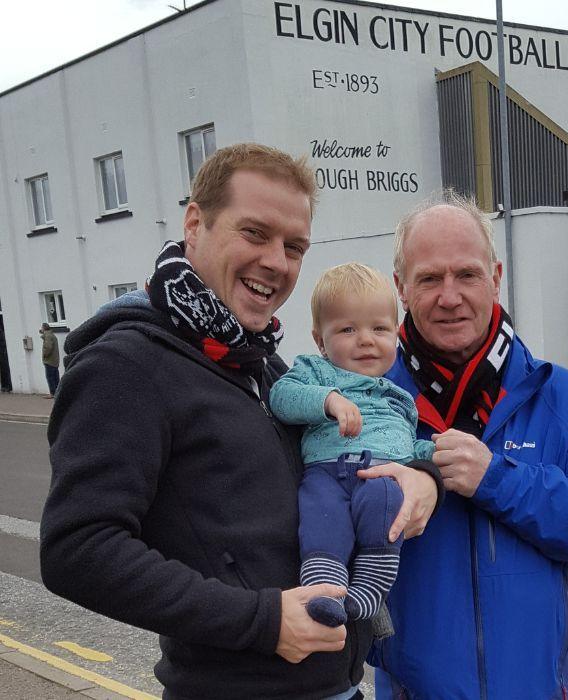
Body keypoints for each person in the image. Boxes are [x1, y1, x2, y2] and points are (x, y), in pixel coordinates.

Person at [40, 144, 439, 699]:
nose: (276, 261)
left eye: (294, 246)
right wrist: (263, 619)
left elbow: (342, 459)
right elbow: (77, 550)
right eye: (255, 233)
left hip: (337, 684)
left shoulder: (261, 363)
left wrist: (422, 477)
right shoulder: (126, 364)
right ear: (195, 224)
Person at [368, 191, 568, 699]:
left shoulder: (566, 396)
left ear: (495, 277)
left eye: (467, 275)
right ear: (401, 288)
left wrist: (498, 480)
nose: (449, 296)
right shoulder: (365, 407)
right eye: (429, 278)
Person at [269, 263, 436, 628]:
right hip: (326, 474)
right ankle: (325, 593)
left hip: (380, 476)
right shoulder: (316, 371)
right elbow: (282, 396)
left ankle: (369, 591)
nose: (365, 339)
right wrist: (328, 400)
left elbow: (409, 447)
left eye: (379, 328)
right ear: (319, 340)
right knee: (320, 520)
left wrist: (434, 456)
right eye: (347, 329)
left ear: (396, 335)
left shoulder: (399, 398)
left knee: (387, 503)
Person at [39, 322, 60, 397]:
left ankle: (52, 393)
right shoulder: (52, 335)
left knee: (50, 377)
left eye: (41, 327)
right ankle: (58, 392)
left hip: (49, 360)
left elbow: (48, 347)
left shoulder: (47, 335)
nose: (40, 329)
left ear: (44, 328)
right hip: (55, 360)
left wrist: (44, 355)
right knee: (56, 377)